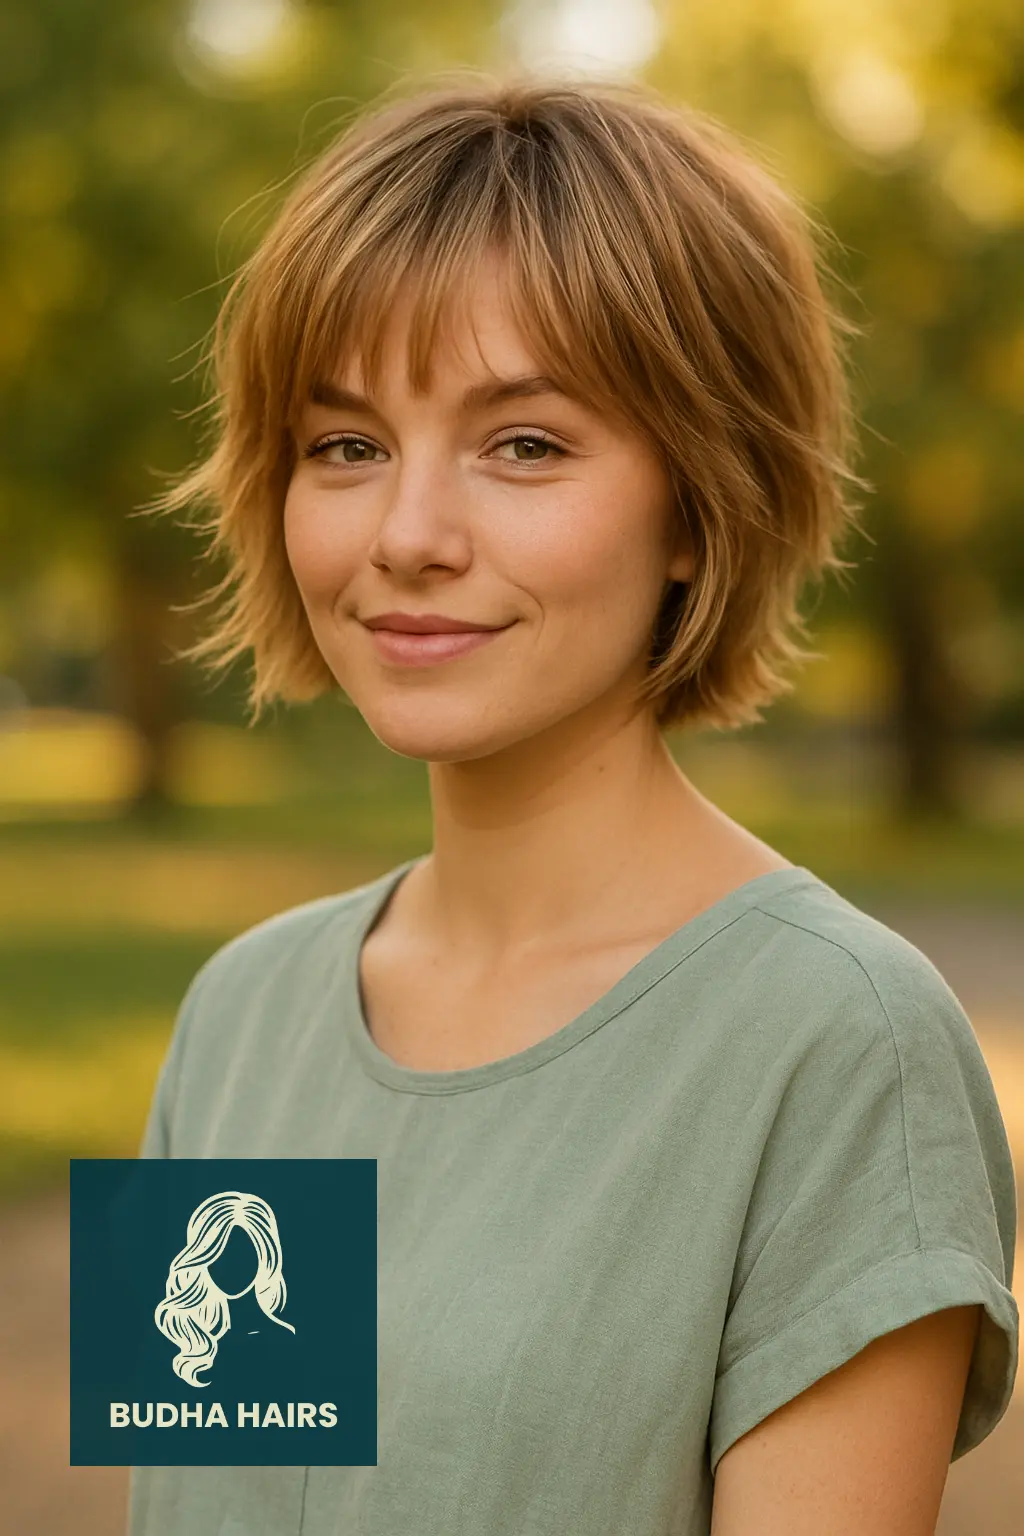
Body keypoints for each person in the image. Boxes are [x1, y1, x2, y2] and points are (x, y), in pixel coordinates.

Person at [128, 70, 1018, 1535]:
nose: (408, 534)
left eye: (524, 443)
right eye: (345, 445)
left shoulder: (843, 1046)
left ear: (698, 503)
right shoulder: (241, 1014)